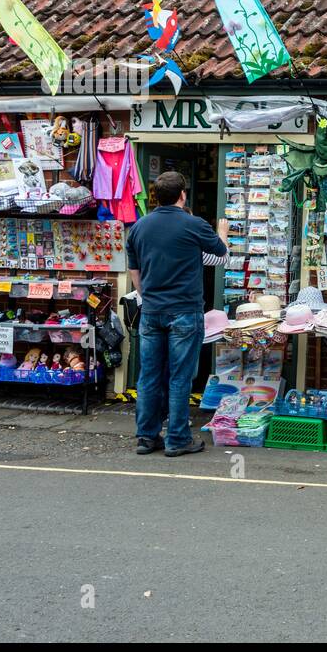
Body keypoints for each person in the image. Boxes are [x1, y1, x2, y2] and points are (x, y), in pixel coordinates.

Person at [126, 170, 228, 456]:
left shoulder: (139, 226)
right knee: (180, 377)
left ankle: (146, 437)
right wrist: (222, 232)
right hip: (184, 310)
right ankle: (177, 438)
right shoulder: (193, 224)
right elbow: (220, 252)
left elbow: (135, 270)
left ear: (157, 196)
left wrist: (146, 297)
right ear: (183, 194)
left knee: (148, 376)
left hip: (152, 310)